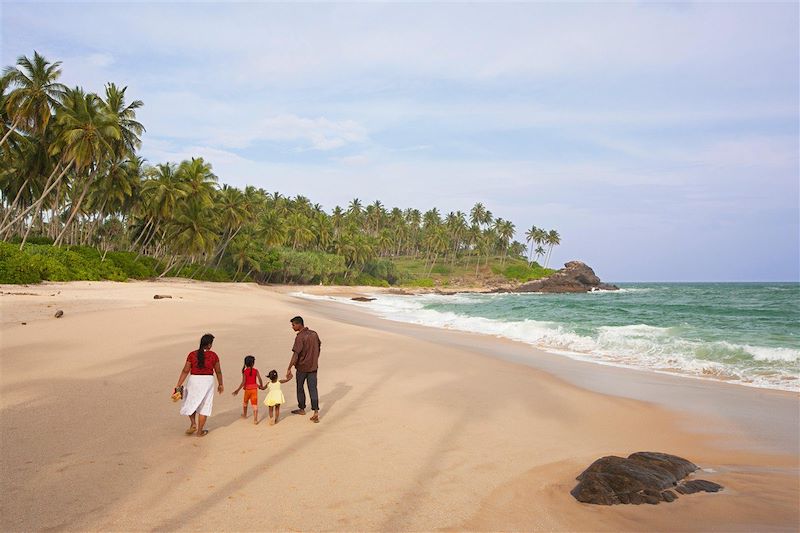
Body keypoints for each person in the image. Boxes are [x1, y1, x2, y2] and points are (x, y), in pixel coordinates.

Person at [174, 333, 223, 437]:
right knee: (205, 406)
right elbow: (218, 371)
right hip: (207, 381)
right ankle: (199, 432)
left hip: (194, 380)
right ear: (209, 345)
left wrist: (178, 384)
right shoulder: (213, 355)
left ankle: (193, 423)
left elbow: (185, 370)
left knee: (190, 402)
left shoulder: (192, 354)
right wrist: (220, 384)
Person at [286, 316, 322, 423]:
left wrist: (289, 368)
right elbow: (319, 347)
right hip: (313, 367)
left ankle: (302, 409)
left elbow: (296, 354)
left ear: (299, 324)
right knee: (313, 389)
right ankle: (315, 412)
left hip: (302, 367)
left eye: (293, 325)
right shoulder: (314, 334)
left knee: (300, 388)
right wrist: (315, 359)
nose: (292, 327)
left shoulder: (300, 337)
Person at [232, 355, 264, 424]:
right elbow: (260, 379)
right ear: (252, 363)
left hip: (247, 390)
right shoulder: (256, 371)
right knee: (254, 404)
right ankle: (255, 419)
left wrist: (237, 390)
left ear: (246, 363)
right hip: (254, 390)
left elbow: (243, 382)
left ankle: (244, 415)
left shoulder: (245, 372)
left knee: (245, 403)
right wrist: (261, 386)